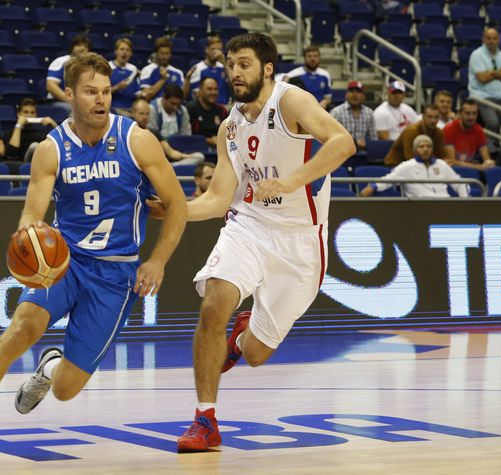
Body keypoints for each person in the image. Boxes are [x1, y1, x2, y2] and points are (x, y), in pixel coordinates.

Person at [0, 52, 187, 465]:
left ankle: (50, 369)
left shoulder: (137, 139)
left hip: (116, 274)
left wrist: (157, 261)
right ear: (69, 94)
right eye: (90, 92)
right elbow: (31, 215)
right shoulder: (51, 150)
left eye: (105, 92)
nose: (100, 100)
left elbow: (178, 205)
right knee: (20, 329)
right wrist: (31, 239)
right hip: (64, 262)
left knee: (66, 389)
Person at [146, 33, 355, 453]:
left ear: (267, 69)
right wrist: (176, 210)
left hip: (300, 243)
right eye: (230, 64)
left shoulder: (291, 101)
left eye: (244, 63)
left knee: (257, 353)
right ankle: (205, 419)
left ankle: (242, 338)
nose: (235, 71)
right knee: (214, 304)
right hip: (249, 226)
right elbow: (219, 198)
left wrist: (293, 180)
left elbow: (343, 142)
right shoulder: (230, 126)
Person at [360, 135, 468, 198]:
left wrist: (465, 201)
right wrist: (372, 187)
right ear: (415, 150)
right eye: (421, 146)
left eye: (429, 146)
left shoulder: (442, 165)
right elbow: (388, 180)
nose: (426, 149)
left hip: (445, 205)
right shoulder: (407, 166)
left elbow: (459, 183)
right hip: (419, 208)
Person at [468, 28, 501, 133]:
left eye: (494, 38)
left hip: (500, 95)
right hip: (482, 96)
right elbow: (482, 79)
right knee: (493, 123)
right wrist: (499, 73)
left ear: (498, 40)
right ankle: (491, 148)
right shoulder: (476, 55)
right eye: (488, 38)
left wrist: (492, 72)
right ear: (483, 39)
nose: (491, 41)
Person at [384, 104, 453, 167]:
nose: (433, 120)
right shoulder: (411, 131)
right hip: (395, 165)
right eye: (429, 117)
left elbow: (441, 156)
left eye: (436, 117)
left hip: (423, 165)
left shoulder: (439, 133)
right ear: (423, 117)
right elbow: (409, 157)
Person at [443, 99, 496, 171]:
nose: (471, 117)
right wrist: (478, 167)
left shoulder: (478, 130)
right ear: (460, 113)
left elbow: (486, 159)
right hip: (451, 171)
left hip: (469, 169)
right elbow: (451, 162)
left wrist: (489, 163)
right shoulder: (449, 129)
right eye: (467, 113)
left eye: (474, 113)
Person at [46, 35, 91, 112]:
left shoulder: (89, 66)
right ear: (72, 48)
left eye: (86, 46)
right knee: (75, 110)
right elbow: (50, 86)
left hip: (80, 102)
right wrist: (71, 101)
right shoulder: (61, 61)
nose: (83, 48)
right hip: (59, 101)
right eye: (79, 45)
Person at [330, 80, 376, 151]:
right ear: (346, 95)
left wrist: (367, 143)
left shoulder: (369, 113)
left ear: (363, 96)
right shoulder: (336, 112)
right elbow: (330, 138)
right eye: (351, 91)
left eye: (358, 92)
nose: (354, 95)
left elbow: (373, 139)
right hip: (341, 152)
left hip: (363, 154)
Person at [285, 45, 332, 109]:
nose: (313, 59)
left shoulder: (325, 75)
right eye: (309, 56)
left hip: (320, 111)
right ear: (304, 58)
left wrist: (325, 102)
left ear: (319, 58)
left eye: (315, 56)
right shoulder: (293, 74)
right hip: (300, 110)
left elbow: (328, 98)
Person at [186, 77, 229, 148]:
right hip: (196, 149)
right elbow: (186, 137)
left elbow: (229, 133)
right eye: (209, 89)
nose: (213, 92)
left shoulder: (221, 110)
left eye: (216, 89)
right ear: (200, 91)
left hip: (219, 148)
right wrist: (207, 140)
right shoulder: (190, 109)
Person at [186, 36, 229, 106]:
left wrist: (224, 63)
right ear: (206, 50)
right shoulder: (198, 68)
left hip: (224, 106)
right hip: (207, 107)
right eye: (213, 49)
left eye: (219, 50)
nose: (216, 52)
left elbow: (232, 84)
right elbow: (196, 93)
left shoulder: (224, 67)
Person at [139, 37, 185, 101]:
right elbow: (146, 96)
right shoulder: (147, 70)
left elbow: (182, 97)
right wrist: (162, 80)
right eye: (162, 53)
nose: (164, 57)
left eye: (167, 53)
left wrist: (187, 79)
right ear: (156, 53)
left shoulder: (178, 72)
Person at [109, 38, 141, 114]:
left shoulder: (133, 69)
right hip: (112, 108)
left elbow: (137, 92)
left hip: (131, 109)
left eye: (127, 50)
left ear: (131, 53)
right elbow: (101, 92)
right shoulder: (108, 67)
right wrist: (117, 87)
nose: (124, 52)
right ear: (116, 51)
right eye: (122, 49)